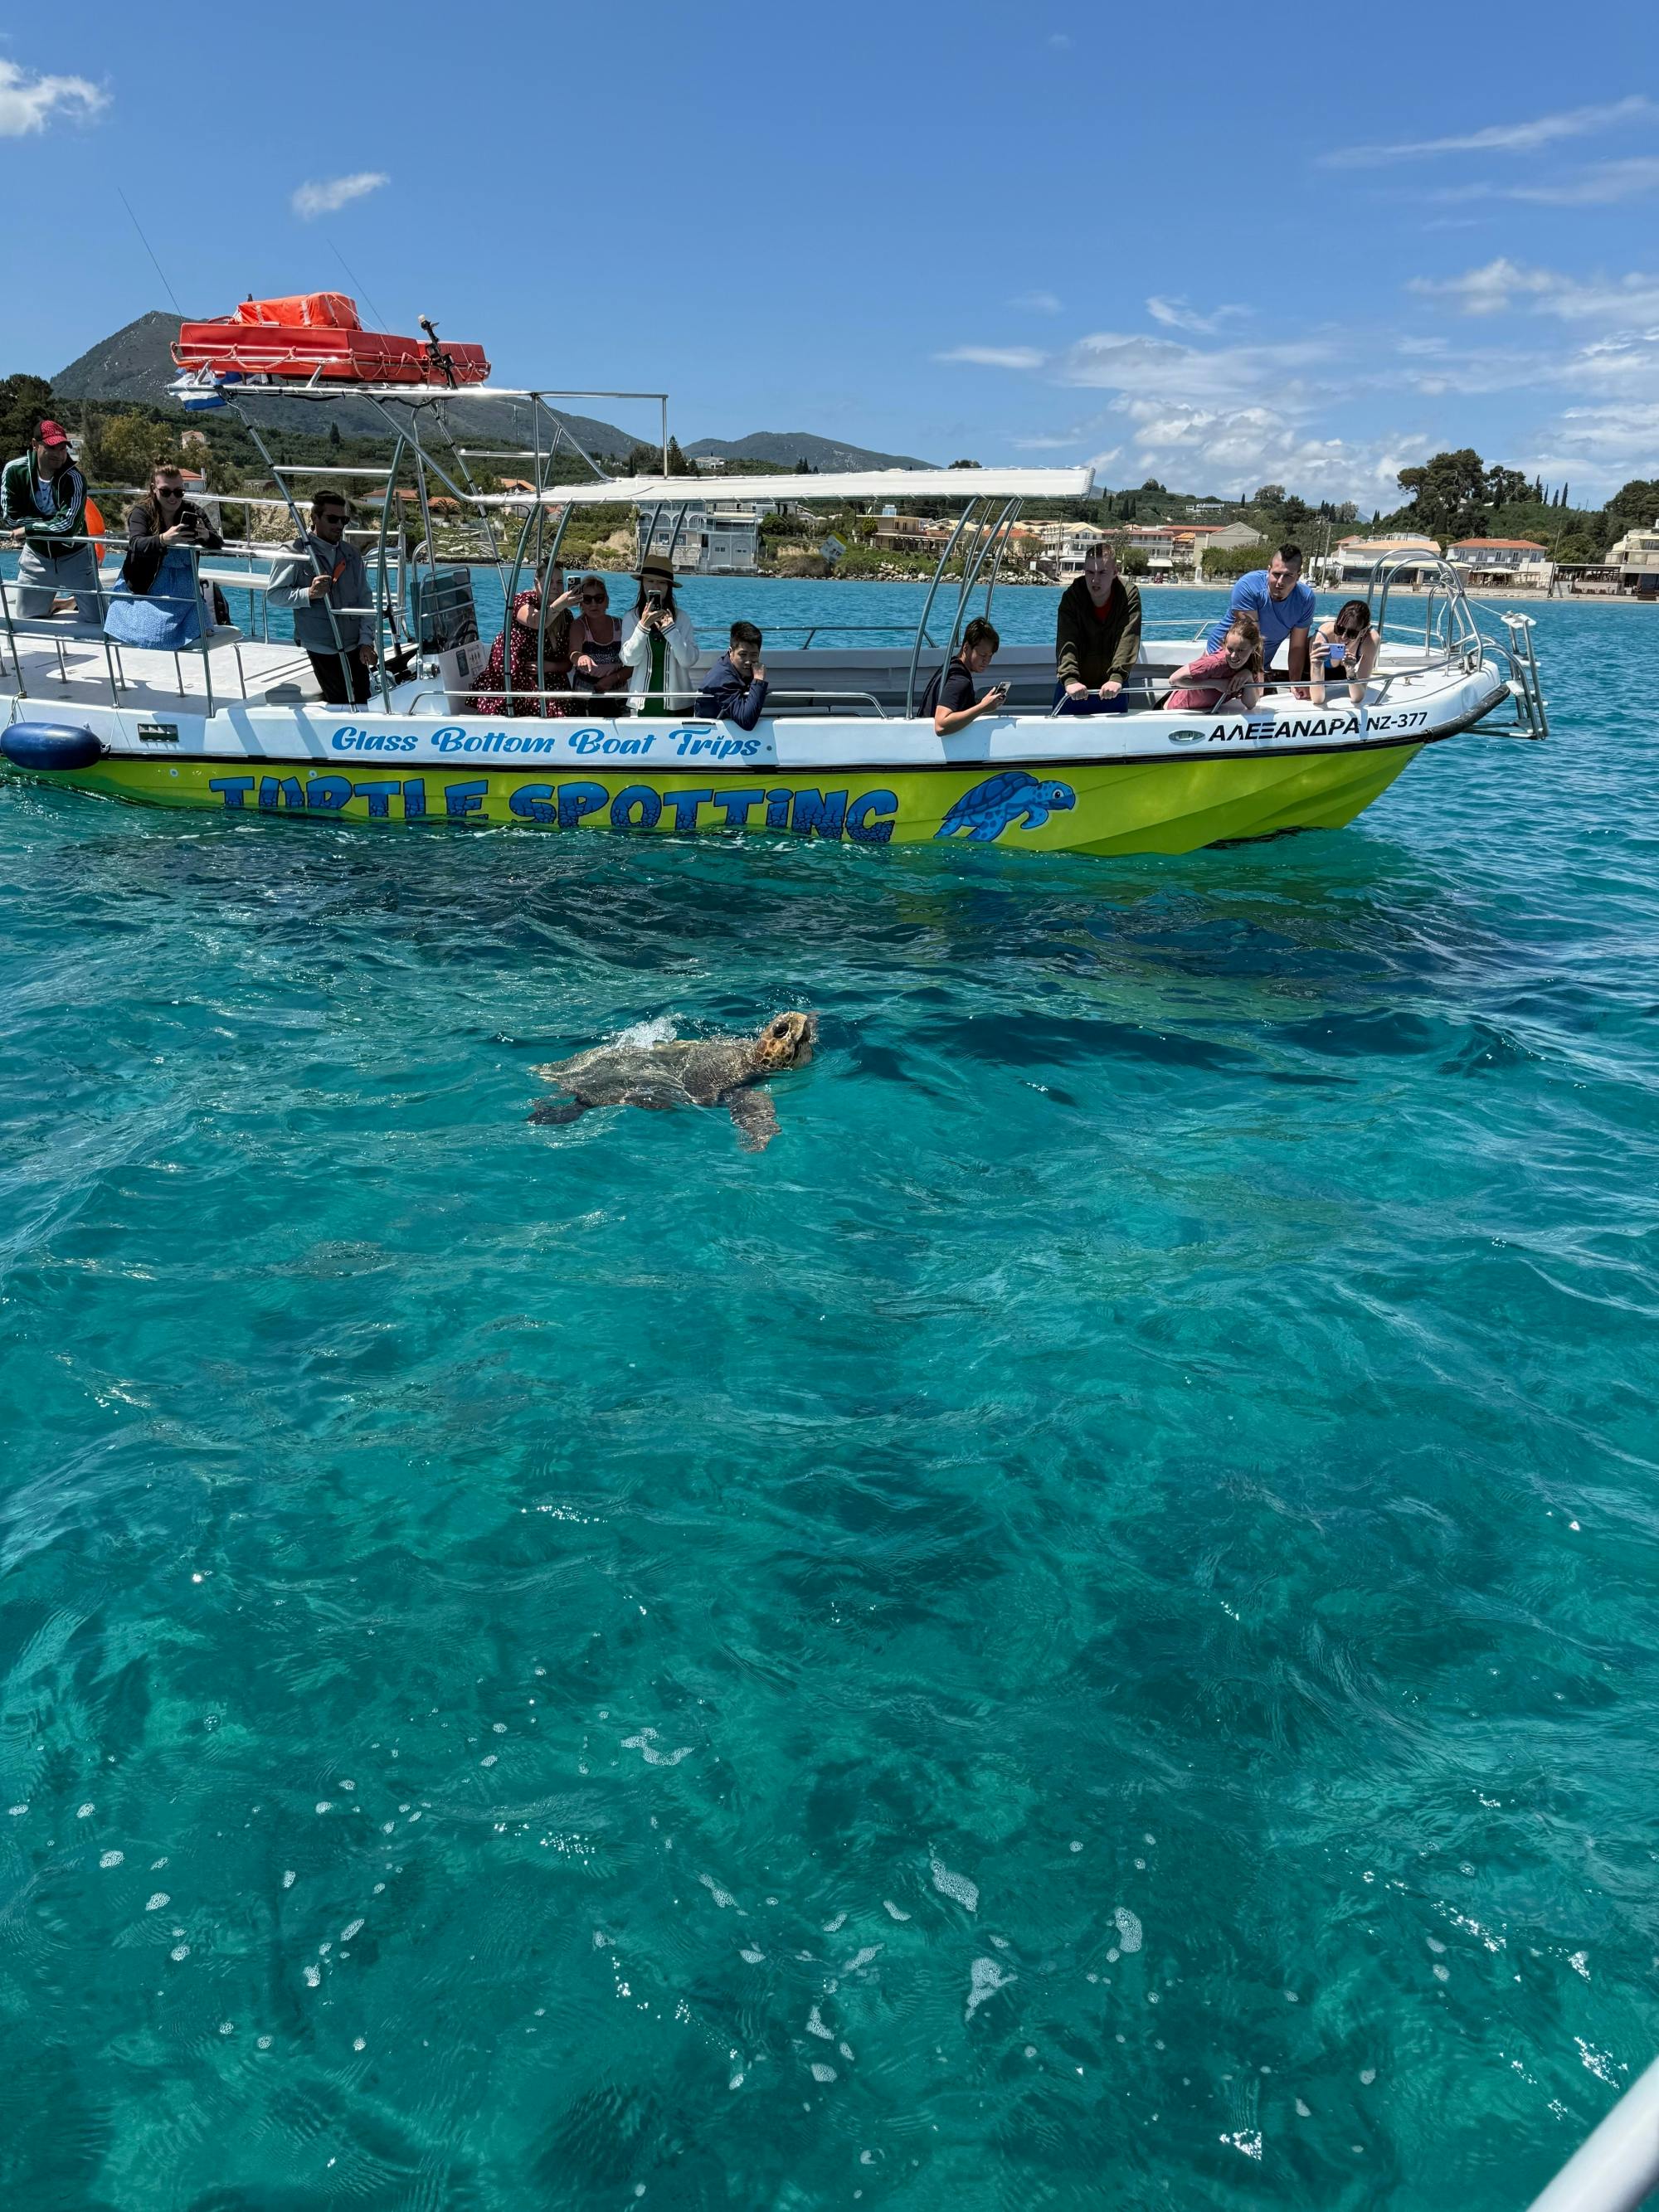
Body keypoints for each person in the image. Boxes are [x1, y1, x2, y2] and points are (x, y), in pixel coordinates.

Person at [268, 492, 377, 706]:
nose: (339, 525)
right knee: (342, 703)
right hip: (321, 645)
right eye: (332, 519)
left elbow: (365, 600)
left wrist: (367, 641)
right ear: (314, 518)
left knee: (365, 701)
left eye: (343, 520)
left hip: (354, 644)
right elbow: (274, 594)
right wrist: (308, 594)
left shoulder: (352, 554)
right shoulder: (294, 552)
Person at [103, 464, 226, 649]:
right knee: (151, 633)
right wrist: (163, 539)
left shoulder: (193, 511)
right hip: (145, 586)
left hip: (185, 589)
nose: (172, 497)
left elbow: (218, 543)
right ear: (154, 489)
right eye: (165, 491)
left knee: (201, 631)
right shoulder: (142, 512)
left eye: (178, 492)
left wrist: (206, 536)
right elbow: (136, 544)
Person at [1, 419, 102, 622]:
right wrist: (47, 524)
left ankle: (69, 601)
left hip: (74, 554)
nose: (58, 454)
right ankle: (60, 604)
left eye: (62, 448)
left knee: (99, 618)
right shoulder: (14, 471)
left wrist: (29, 529)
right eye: (51, 447)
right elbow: (12, 518)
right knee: (26, 616)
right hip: (36, 555)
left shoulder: (75, 478)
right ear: (35, 444)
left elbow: (67, 525)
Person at [474, 563, 580, 716]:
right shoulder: (522, 601)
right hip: (513, 679)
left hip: (547, 679)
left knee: (561, 713)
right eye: (549, 581)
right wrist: (560, 604)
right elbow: (537, 622)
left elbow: (567, 662)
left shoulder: (566, 616)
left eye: (559, 582)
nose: (555, 587)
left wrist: (548, 667)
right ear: (537, 583)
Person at [1204, 544, 1315, 683]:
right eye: (1276, 574)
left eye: (1288, 576)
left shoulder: (1305, 599)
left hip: (1258, 666)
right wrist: (1258, 685)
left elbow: (1297, 647)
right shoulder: (1248, 586)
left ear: (1298, 576)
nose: (1280, 582)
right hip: (1222, 658)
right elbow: (1254, 640)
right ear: (1268, 570)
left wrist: (1295, 684)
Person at [1055, 541, 1141, 713]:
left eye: (1102, 572)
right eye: (1090, 572)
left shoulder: (1128, 595)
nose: (1095, 580)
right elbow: (1067, 640)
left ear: (1115, 573)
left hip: (1113, 686)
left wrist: (1117, 677)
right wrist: (1070, 678)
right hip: (1074, 685)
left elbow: (1128, 638)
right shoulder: (1072, 597)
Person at [620, 555, 698, 715]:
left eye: (662, 582)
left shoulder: (681, 618)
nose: (655, 586)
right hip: (642, 704)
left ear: (669, 586)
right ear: (642, 583)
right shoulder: (632, 617)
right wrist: (643, 626)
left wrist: (671, 630)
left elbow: (688, 660)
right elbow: (629, 659)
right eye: (650, 581)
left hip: (679, 704)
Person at [919, 617, 1009, 734]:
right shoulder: (960, 681)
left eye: (990, 656)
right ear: (966, 648)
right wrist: (982, 708)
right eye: (982, 655)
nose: (986, 661)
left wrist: (981, 703)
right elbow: (940, 725)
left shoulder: (951, 665)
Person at [1164, 610, 1262, 712]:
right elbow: (1174, 680)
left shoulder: (1250, 665)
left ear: (1253, 648)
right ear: (1224, 644)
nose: (1233, 656)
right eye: (1230, 649)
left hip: (1208, 711)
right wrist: (1216, 683)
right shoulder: (1214, 663)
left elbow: (1250, 704)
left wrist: (1249, 678)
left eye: (1241, 650)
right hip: (1177, 711)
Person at [567, 574, 630, 713]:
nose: (594, 604)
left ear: (607, 601)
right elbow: (573, 652)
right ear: (581, 603)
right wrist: (580, 658)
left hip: (618, 695)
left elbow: (633, 664)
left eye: (599, 599)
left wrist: (614, 678)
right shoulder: (579, 625)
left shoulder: (620, 625)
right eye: (587, 599)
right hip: (585, 697)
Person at [695, 620, 771, 730]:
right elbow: (747, 722)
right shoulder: (722, 679)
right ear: (731, 652)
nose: (748, 661)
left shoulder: (738, 668)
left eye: (754, 655)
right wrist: (759, 680)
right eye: (743, 654)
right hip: (709, 734)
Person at [1308, 598, 1379, 705]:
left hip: (1344, 680)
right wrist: (1316, 667)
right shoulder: (1322, 637)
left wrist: (1351, 673)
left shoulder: (1371, 640)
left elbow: (1358, 697)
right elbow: (1317, 699)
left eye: (1351, 633)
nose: (1343, 637)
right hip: (1310, 675)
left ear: (1363, 631)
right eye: (1339, 629)